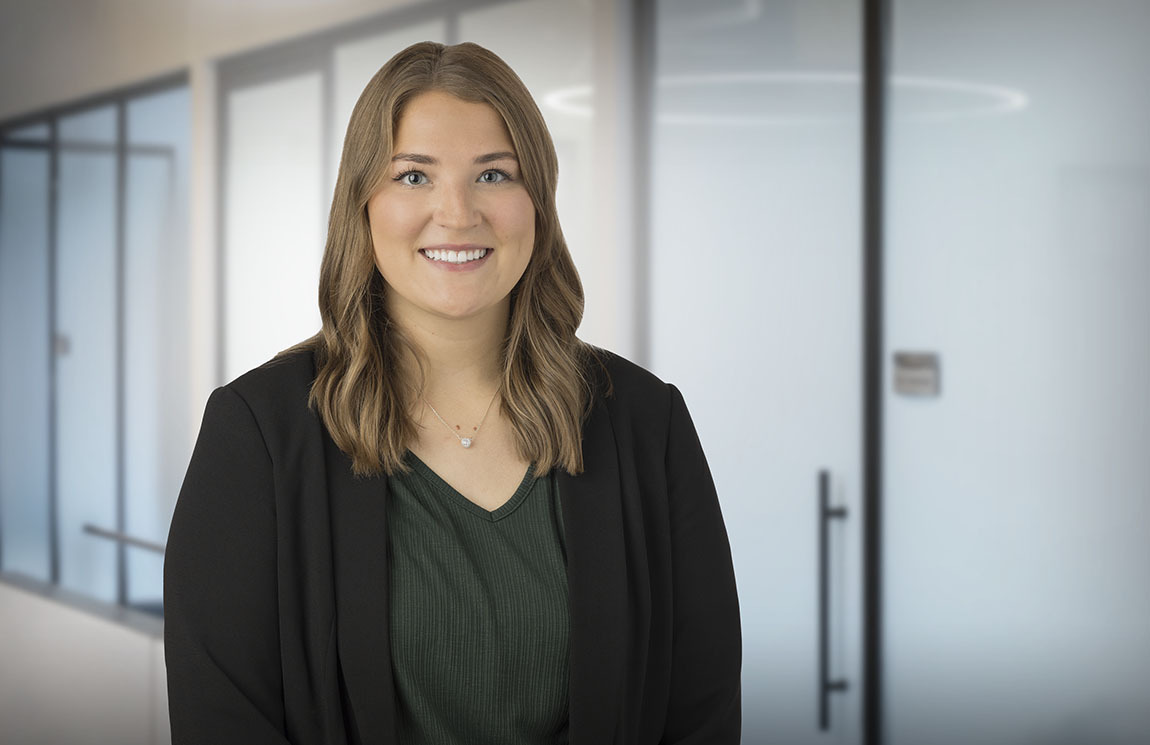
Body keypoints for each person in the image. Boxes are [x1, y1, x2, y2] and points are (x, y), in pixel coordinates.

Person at [163, 40, 741, 744]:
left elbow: (702, 710)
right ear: (363, 201)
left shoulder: (649, 425)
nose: (457, 212)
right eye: (413, 177)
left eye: (494, 173)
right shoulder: (256, 435)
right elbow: (221, 720)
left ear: (538, 201)